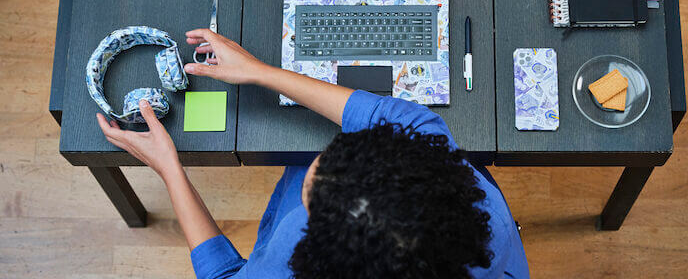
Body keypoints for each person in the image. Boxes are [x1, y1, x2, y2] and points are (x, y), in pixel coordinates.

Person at [96, 29, 529, 279]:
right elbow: (372, 111)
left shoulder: (288, 265)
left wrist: (169, 169)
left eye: (308, 197)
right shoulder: (424, 138)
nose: (310, 168)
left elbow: (223, 275)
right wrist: (261, 72)